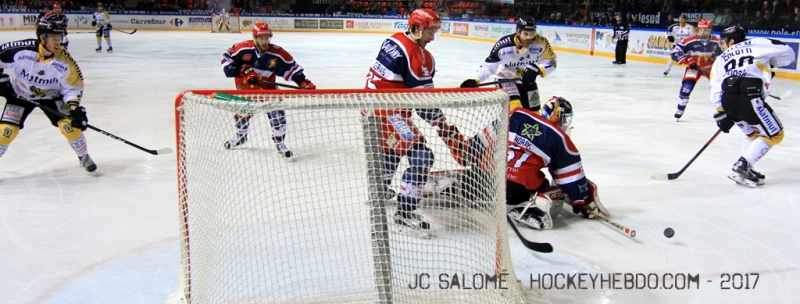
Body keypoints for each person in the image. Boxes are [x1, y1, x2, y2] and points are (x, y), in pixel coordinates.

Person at [428, 97, 608, 230]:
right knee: (547, 184)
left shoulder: (515, 115)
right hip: (515, 190)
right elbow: (571, 179)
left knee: (471, 176)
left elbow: (474, 147)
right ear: (558, 118)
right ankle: (530, 208)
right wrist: (581, 201)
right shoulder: (560, 138)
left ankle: (441, 187)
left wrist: (454, 141)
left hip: (481, 179)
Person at [364, 8, 454, 234]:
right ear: (415, 28)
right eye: (428, 32)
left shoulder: (392, 40)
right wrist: (442, 124)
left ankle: (379, 191)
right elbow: (423, 100)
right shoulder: (417, 54)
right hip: (388, 112)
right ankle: (405, 213)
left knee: (393, 150)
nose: (432, 38)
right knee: (422, 156)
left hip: (371, 108)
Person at [0, 20, 96, 173]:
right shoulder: (21, 50)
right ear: (42, 38)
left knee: (69, 126)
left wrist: (74, 109)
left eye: (60, 38)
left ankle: (83, 156)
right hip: (20, 94)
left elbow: (73, 87)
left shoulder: (64, 60)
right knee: (6, 131)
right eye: (54, 38)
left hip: (53, 97)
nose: (58, 43)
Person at [708, 25, 796, 187]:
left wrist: (720, 112)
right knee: (775, 134)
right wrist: (773, 62)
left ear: (732, 41)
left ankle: (741, 170)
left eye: (724, 42)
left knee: (754, 135)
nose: (722, 45)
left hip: (728, 101)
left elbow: (715, 86)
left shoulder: (721, 58)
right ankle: (743, 165)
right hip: (750, 98)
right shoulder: (758, 43)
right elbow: (788, 52)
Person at [220, 22, 316, 158]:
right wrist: (243, 70)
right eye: (261, 38)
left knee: (278, 115)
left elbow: (292, 69)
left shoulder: (277, 53)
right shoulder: (242, 49)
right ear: (255, 37)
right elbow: (225, 62)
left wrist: (303, 81)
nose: (264, 41)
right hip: (246, 90)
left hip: (268, 91)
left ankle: (279, 142)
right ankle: (241, 136)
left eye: (267, 38)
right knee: (241, 115)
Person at [459, 17, 557, 112]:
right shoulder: (503, 45)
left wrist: (538, 69)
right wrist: (476, 79)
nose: (529, 37)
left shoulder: (541, 42)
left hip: (527, 79)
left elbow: (552, 62)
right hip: (505, 78)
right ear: (518, 32)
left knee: (534, 113)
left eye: (532, 34)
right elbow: (488, 66)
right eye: (526, 34)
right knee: (515, 110)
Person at [670, 19, 722, 120]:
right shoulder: (690, 40)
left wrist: (717, 64)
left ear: (710, 30)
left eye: (705, 30)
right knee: (686, 88)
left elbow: (723, 56)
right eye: (701, 30)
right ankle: (680, 108)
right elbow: (675, 52)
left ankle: (724, 109)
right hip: (694, 67)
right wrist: (688, 61)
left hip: (710, 68)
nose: (702, 32)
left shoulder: (717, 42)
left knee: (721, 88)